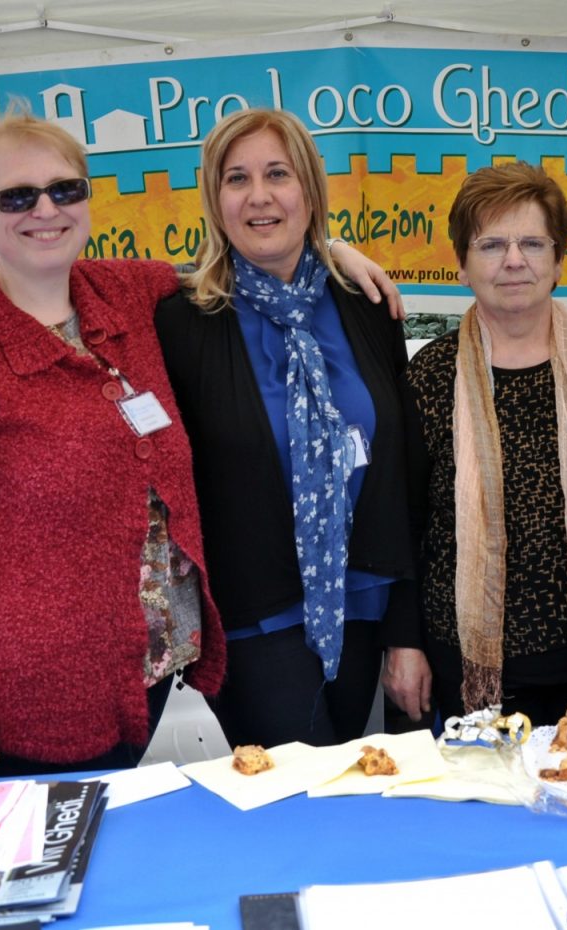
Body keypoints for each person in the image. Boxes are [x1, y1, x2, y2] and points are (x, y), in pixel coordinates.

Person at [0, 112, 401, 777]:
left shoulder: (124, 297)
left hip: (139, 676)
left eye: (65, 190)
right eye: (17, 197)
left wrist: (331, 251)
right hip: (20, 701)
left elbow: (248, 264)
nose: (46, 210)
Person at [154, 108, 417, 748]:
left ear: (310, 189)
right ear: (215, 201)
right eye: (237, 179)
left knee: (346, 791)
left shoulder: (365, 305)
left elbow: (407, 470)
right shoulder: (178, 323)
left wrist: (407, 627)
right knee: (296, 805)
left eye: (279, 173)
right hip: (255, 621)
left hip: (363, 602)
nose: (260, 195)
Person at [387, 162, 567, 728]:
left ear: (559, 261)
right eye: (491, 244)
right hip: (469, 656)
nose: (514, 260)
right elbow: (405, 523)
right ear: (462, 264)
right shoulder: (431, 375)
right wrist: (403, 643)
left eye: (533, 243)